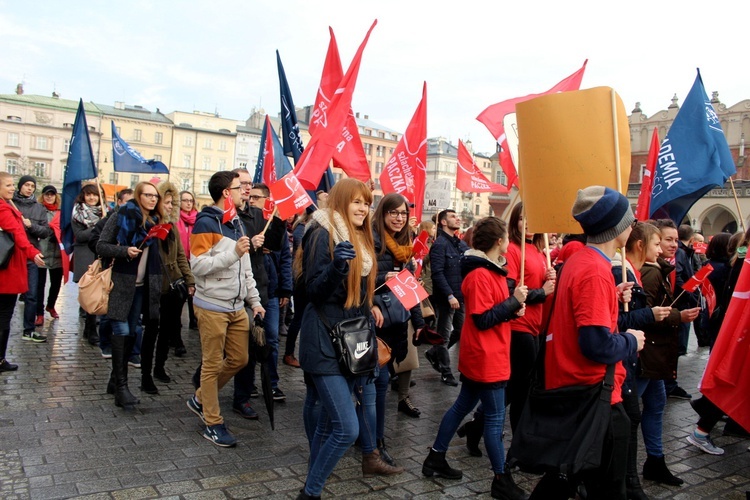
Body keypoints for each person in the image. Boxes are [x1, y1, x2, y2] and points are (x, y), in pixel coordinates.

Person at [530, 186, 645, 500]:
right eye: (630, 218)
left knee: (565, 478)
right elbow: (596, 345)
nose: (634, 224)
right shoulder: (595, 271)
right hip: (596, 397)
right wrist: (631, 340)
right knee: (606, 490)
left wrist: (611, 302)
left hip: (579, 390)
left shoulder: (583, 261)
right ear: (617, 225)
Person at [422, 216, 528, 500]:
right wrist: (513, 302)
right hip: (485, 356)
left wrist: (512, 306)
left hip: (486, 354)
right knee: (494, 420)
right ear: (499, 242)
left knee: (461, 407)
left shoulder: (491, 272)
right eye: (506, 237)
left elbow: (495, 311)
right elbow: (482, 319)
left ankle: (436, 457)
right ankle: (501, 479)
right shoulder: (481, 274)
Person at [297, 178, 386, 499]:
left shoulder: (360, 237)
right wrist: (336, 267)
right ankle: (310, 491)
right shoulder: (322, 234)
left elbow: (359, 293)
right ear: (341, 203)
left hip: (350, 340)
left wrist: (373, 306)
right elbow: (313, 292)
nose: (363, 208)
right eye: (357, 202)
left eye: (367, 202)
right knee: (347, 428)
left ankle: (312, 485)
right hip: (323, 339)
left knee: (326, 424)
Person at [185, 171, 264, 447]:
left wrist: (254, 301)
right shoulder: (205, 222)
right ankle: (213, 422)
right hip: (212, 307)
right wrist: (234, 253)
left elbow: (246, 270)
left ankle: (199, 398)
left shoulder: (236, 223)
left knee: (239, 359)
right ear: (226, 193)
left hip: (237, 307)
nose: (246, 191)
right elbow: (198, 267)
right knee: (212, 364)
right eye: (239, 187)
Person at [611, 222, 674, 497]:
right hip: (629, 359)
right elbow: (617, 321)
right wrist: (653, 315)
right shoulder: (620, 270)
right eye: (658, 243)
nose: (661, 249)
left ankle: (635, 475)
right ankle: (627, 481)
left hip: (637, 357)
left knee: (644, 409)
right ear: (640, 245)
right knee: (630, 417)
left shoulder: (634, 271)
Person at [97, 182, 165, 411]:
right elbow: (101, 245)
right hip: (120, 283)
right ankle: (122, 389)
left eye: (156, 196)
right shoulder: (121, 215)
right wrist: (124, 251)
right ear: (138, 195)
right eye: (148, 195)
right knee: (123, 331)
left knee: (133, 330)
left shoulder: (155, 222)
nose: (153, 199)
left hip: (140, 287)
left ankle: (114, 380)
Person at [370, 194, 426, 464]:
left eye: (403, 213)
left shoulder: (405, 246)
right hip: (376, 321)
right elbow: (359, 277)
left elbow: (408, 286)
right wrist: (384, 277)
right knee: (379, 384)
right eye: (393, 212)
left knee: (380, 381)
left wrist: (419, 321)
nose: (399, 217)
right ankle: (376, 441)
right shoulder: (372, 239)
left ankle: (370, 435)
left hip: (397, 321)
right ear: (382, 213)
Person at [139, 181, 195, 395]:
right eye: (168, 202)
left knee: (167, 331)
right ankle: (145, 375)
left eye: (173, 203)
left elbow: (181, 255)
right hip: (153, 287)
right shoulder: (147, 224)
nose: (171, 207)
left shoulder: (172, 227)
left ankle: (159, 367)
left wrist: (189, 280)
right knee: (151, 331)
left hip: (173, 287)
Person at [245, 182, 293, 401]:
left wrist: (286, 288)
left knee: (272, 338)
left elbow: (285, 258)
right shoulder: (245, 223)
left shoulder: (276, 225)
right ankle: (248, 384)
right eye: (250, 197)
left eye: (256, 197)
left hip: (272, 291)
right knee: (249, 339)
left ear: (267, 200)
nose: (251, 200)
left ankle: (271, 383)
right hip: (249, 292)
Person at [0, 172, 45, 371]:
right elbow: (17, 233)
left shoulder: (8, 205)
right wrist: (32, 252)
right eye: (8, 185)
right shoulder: (3, 207)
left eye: (12, 185)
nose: (12, 188)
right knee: (4, 315)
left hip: (8, 266)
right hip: (7, 269)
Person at [651, 220, 700, 401]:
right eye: (667, 240)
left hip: (671, 318)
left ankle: (670, 384)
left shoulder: (678, 254)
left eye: (676, 240)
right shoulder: (650, 270)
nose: (673, 245)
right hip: (656, 330)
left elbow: (685, 278)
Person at [425, 209, 469, 386]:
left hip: (461, 295)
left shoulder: (459, 243)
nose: (457, 218)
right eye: (452, 216)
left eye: (457, 216)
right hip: (446, 297)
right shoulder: (440, 244)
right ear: (443, 222)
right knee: (443, 334)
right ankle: (445, 371)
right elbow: (437, 273)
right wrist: (449, 295)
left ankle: (434, 352)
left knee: (459, 330)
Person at [88, 188, 133, 359]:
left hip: (126, 277)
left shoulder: (135, 221)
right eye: (127, 202)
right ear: (119, 202)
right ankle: (105, 343)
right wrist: (120, 249)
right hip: (108, 270)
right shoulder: (107, 220)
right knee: (106, 311)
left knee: (120, 316)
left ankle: (122, 355)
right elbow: (96, 244)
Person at [13, 175, 52, 343]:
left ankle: (28, 330)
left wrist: (32, 226)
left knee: (32, 294)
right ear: (20, 186)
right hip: (11, 254)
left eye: (32, 186)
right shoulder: (9, 205)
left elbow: (45, 232)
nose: (29, 188)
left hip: (31, 255)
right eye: (26, 185)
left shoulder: (39, 208)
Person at [72, 183, 104, 346]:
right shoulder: (77, 213)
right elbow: (79, 235)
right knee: (89, 289)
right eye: (89, 195)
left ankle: (90, 327)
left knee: (98, 289)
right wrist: (98, 226)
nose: (92, 198)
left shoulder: (104, 212)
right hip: (84, 252)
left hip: (99, 253)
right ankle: (90, 328)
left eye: (95, 195)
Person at [36, 185, 63, 324]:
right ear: (43, 195)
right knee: (39, 285)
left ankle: (51, 305)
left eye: (52, 194)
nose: (49, 196)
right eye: (47, 194)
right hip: (41, 252)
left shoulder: (61, 211)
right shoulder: (39, 209)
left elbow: (65, 228)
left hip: (57, 253)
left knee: (56, 283)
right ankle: (39, 313)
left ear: (55, 196)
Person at [177, 189, 199, 336]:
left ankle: (194, 320)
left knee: (194, 292)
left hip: (195, 260)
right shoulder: (174, 219)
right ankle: (176, 324)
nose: (188, 203)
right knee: (181, 294)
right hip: (179, 261)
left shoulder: (197, 219)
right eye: (185, 200)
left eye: (190, 200)